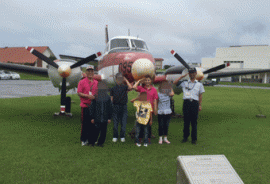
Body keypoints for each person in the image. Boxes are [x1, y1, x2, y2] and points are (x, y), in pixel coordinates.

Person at [173, 68, 205, 145]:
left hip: (194, 103)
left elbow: (200, 95)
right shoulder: (184, 82)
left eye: (193, 73)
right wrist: (181, 77)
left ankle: (194, 139)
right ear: (189, 74)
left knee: (194, 122)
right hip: (186, 103)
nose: (192, 74)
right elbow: (174, 83)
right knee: (186, 122)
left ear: (196, 73)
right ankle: (185, 137)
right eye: (190, 73)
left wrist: (200, 105)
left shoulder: (199, 84)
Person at [133, 75, 158, 144]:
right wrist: (139, 81)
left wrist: (155, 109)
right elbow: (134, 87)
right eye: (146, 80)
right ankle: (139, 139)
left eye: (148, 80)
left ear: (151, 81)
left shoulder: (154, 90)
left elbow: (155, 100)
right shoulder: (141, 88)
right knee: (140, 124)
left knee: (148, 125)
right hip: (142, 109)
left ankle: (148, 139)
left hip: (149, 109)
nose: (147, 81)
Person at [77, 66, 98, 146]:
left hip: (94, 106)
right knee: (85, 123)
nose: (90, 73)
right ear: (86, 72)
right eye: (88, 71)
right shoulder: (82, 82)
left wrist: (95, 96)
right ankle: (83, 139)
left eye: (91, 71)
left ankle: (92, 139)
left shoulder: (96, 82)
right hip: (85, 105)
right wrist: (87, 96)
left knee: (93, 123)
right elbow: (79, 92)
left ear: (93, 72)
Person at [88, 81, 113, 147]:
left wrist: (109, 118)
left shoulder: (107, 97)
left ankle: (100, 143)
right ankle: (92, 142)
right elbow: (92, 108)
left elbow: (110, 108)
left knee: (103, 132)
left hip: (105, 118)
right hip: (97, 117)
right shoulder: (95, 97)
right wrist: (92, 117)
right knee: (95, 131)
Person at [110, 73, 133, 143]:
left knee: (123, 123)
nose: (119, 80)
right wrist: (110, 108)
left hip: (124, 107)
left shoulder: (125, 87)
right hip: (116, 107)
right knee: (115, 124)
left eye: (121, 78)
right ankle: (115, 136)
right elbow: (111, 99)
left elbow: (131, 87)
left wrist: (125, 80)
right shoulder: (113, 88)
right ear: (116, 79)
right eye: (118, 78)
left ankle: (122, 136)